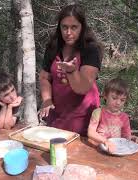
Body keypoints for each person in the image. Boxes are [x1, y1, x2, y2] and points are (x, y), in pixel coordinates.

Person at [38, 4, 103, 136]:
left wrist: (72, 72)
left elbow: (83, 87)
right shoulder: (53, 47)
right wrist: (47, 99)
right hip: (58, 113)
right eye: (64, 27)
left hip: (84, 116)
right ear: (59, 27)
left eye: (74, 27)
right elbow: (45, 77)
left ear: (82, 27)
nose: (68, 32)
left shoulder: (90, 50)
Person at [87, 78, 138, 153]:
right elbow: (91, 133)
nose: (118, 102)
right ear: (105, 95)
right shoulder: (98, 113)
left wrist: (131, 139)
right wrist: (105, 141)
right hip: (97, 149)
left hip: (115, 150)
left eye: (122, 100)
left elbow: (125, 137)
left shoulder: (124, 117)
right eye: (114, 98)